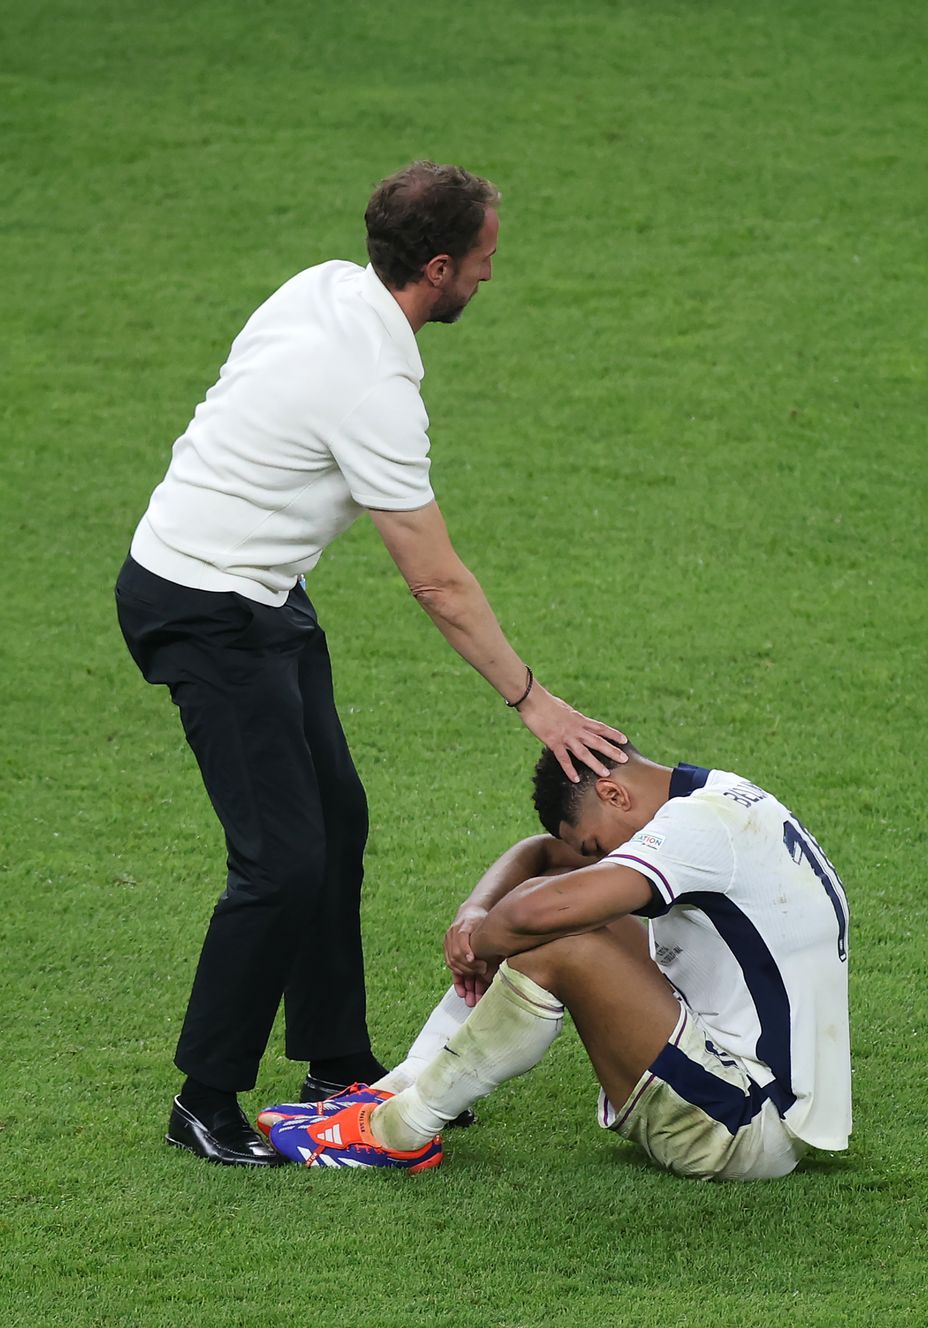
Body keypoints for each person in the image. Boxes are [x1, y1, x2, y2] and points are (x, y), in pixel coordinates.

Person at [114, 161, 627, 1168]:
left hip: (261, 593)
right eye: (482, 260)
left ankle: (336, 1062)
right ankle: (204, 1094)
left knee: (334, 820)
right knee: (280, 858)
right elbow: (435, 581)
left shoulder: (322, 285)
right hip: (199, 605)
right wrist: (533, 701)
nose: (489, 275)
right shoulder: (374, 388)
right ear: (436, 267)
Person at [261, 742, 852, 1180]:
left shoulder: (695, 830)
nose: (602, 859)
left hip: (740, 1128)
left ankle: (399, 1130)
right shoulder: (717, 795)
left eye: (597, 846)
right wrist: (475, 913)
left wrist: (479, 942)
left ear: (613, 794)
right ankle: (404, 1084)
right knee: (554, 908)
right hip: (764, 1099)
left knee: (560, 935)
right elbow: (546, 856)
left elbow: (532, 918)